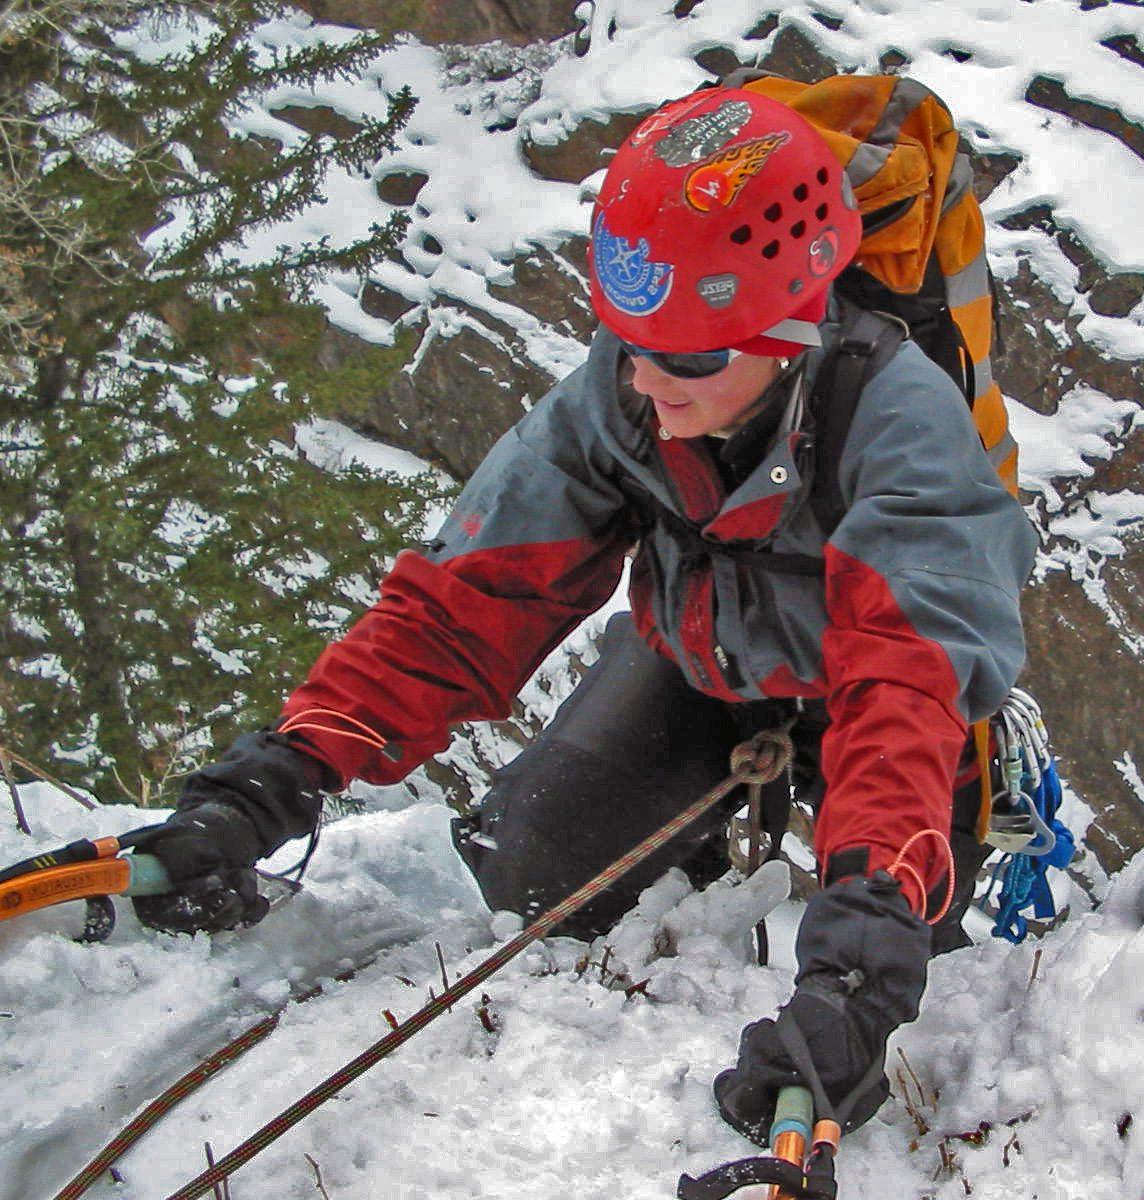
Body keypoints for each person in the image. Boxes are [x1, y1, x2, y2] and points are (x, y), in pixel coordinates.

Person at [131, 86, 1036, 1144]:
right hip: (699, 666)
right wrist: (279, 775)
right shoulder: (632, 384)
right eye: (628, 338)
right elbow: (470, 594)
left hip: (879, 698)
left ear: (790, 326)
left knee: (921, 949)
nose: (648, 380)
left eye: (690, 356)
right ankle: (690, 860)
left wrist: (860, 962)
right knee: (527, 874)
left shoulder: (903, 423)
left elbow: (901, 687)